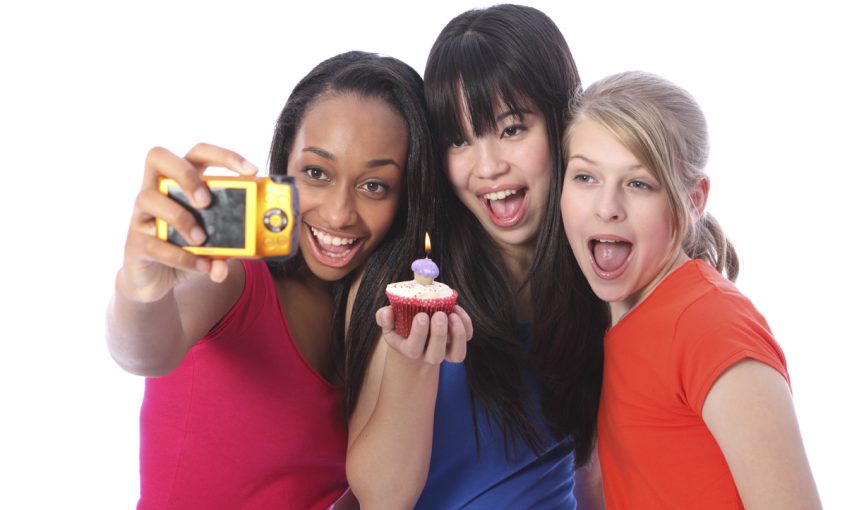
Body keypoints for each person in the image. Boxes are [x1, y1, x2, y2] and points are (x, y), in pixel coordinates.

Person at [105, 50, 456, 509]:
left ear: (406, 195)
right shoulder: (233, 275)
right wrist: (140, 289)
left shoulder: (373, 310)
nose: (338, 213)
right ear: (284, 163)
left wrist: (416, 358)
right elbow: (144, 352)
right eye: (316, 173)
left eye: (374, 185)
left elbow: (382, 498)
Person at [346, 5, 608, 509]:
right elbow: (381, 498)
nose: (487, 166)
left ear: (560, 123)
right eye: (459, 140)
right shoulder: (409, 283)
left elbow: (591, 473)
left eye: (511, 128)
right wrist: (413, 365)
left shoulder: (595, 278)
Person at [560, 70, 821, 509]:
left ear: (694, 200)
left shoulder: (710, 324)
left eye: (638, 183)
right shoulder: (610, 324)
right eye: (586, 177)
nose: (607, 208)